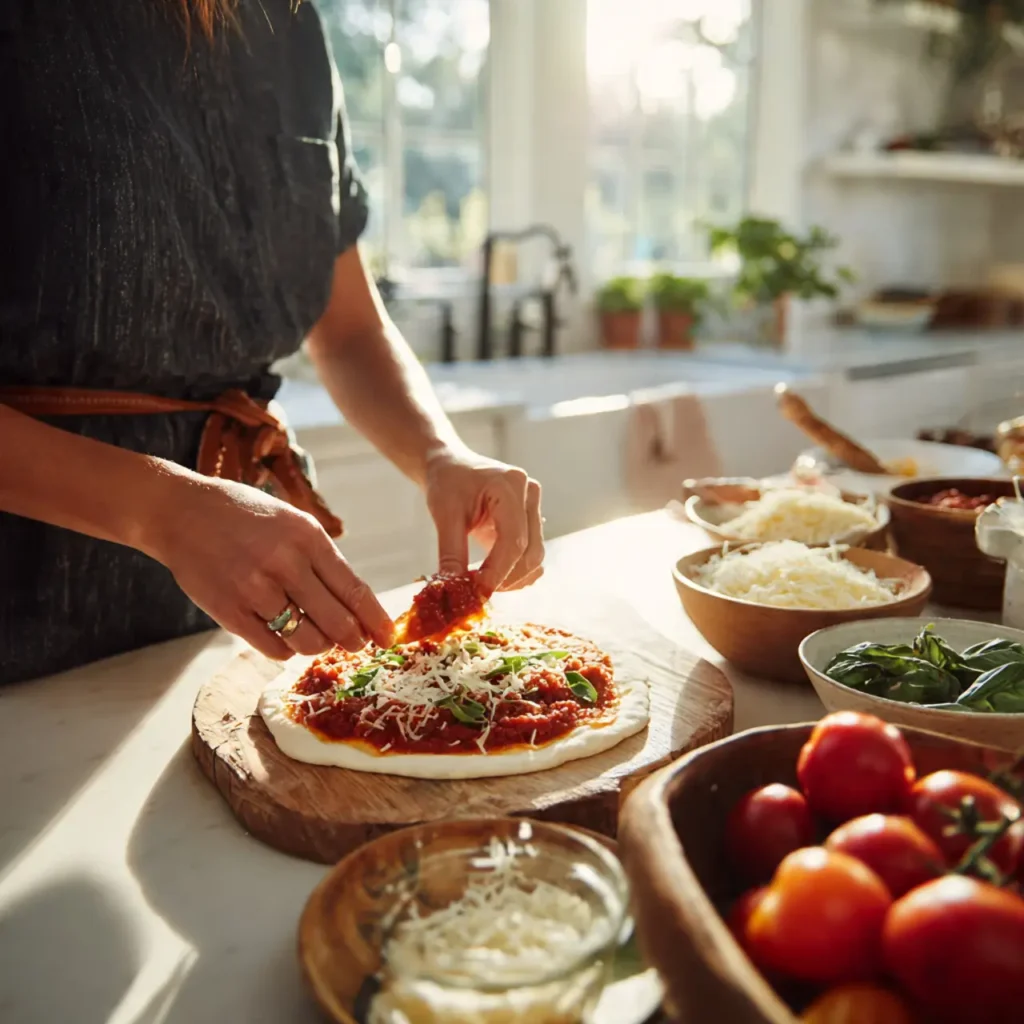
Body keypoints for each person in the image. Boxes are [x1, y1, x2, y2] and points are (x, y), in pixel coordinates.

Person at [0, 0, 544, 685]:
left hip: (222, 608)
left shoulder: (293, 29)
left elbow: (348, 331)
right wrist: (165, 510)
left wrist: (441, 455)